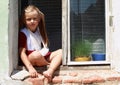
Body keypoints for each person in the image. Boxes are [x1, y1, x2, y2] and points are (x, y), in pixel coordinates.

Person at [18, 5, 62, 82]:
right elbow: (22, 53)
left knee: (61, 52)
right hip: (31, 58)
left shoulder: (39, 31)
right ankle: (49, 64)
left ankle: (50, 71)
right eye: (29, 19)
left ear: (38, 20)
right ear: (24, 21)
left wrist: (39, 16)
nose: (32, 21)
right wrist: (30, 68)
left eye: (35, 19)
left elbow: (42, 16)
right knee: (36, 55)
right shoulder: (23, 33)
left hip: (41, 55)